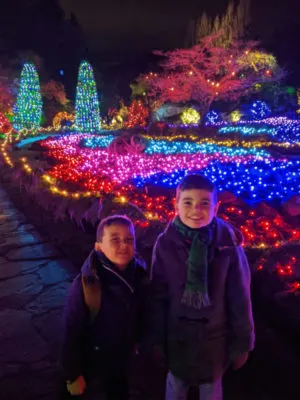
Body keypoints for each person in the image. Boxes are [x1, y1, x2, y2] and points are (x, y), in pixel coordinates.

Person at [148, 174, 255, 400]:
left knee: (211, 389)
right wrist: (155, 339)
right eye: (188, 202)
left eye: (204, 203)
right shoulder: (165, 243)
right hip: (177, 336)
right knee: (176, 386)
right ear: (176, 204)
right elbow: (158, 294)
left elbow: (240, 295)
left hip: (214, 338)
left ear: (216, 207)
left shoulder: (227, 244)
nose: (196, 210)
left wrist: (242, 342)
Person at [61, 215, 148, 400]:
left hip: (120, 354)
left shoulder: (139, 275)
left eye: (129, 240)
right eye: (115, 239)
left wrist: (138, 339)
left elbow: (140, 312)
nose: (123, 245)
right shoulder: (87, 285)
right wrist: (73, 374)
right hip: (90, 357)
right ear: (98, 246)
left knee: (118, 390)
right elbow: (71, 331)